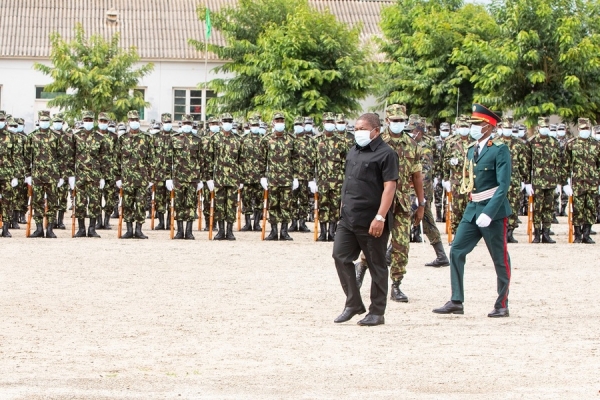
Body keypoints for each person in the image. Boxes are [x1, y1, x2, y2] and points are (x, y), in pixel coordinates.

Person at [433, 104, 512, 318]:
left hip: (492, 212)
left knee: (499, 257)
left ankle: (502, 303)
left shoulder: (499, 149)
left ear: (488, 126)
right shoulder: (471, 149)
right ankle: (456, 300)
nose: (473, 127)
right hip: (473, 208)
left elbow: (503, 185)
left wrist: (489, 212)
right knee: (457, 250)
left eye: (477, 124)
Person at [332, 112, 399, 326]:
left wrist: (380, 216)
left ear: (376, 131)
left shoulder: (386, 154)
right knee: (340, 256)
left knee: (376, 264)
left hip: (372, 219)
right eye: (356, 128)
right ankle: (353, 303)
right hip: (349, 217)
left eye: (362, 129)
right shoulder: (354, 150)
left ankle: (377, 312)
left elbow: (390, 187)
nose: (357, 132)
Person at [66, 110, 110, 238]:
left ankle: (92, 229)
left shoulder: (100, 138)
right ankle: (81, 229)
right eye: (86, 120)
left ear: (94, 121)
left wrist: (103, 176)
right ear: (82, 120)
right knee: (80, 202)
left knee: (94, 202)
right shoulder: (76, 136)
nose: (88, 122)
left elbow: (104, 159)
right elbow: (71, 156)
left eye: (90, 120)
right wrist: (71, 175)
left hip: (95, 175)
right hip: (80, 175)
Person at [25, 110, 66, 238]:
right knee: (37, 201)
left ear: (50, 121)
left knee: (53, 202)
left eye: (46, 120)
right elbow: (27, 157)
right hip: (37, 174)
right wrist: (28, 174)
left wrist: (62, 176)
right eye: (42, 120)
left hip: (53, 175)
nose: (44, 123)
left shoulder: (56, 137)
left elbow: (62, 157)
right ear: (39, 121)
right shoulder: (32, 136)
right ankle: (38, 229)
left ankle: (49, 229)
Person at [115, 110, 156, 239]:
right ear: (128, 121)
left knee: (141, 204)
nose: (134, 122)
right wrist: (117, 177)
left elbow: (152, 159)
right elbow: (116, 159)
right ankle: (129, 230)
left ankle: (138, 230)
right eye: (132, 120)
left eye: (136, 120)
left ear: (139, 121)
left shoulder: (147, 138)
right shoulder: (123, 139)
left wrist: (151, 178)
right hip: (127, 178)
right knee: (127, 204)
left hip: (142, 178)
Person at [259, 112, 298, 241]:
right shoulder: (266, 139)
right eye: (277, 121)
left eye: (282, 121)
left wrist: (296, 177)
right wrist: (262, 176)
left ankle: (285, 231)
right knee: (273, 205)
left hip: (287, 179)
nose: (280, 123)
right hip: (273, 178)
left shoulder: (291, 139)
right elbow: (261, 159)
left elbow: (296, 159)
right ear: (273, 123)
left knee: (286, 205)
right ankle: (274, 231)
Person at [524, 117, 562, 243]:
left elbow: (558, 163)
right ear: (538, 128)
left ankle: (546, 233)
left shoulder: (554, 142)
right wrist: (527, 182)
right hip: (537, 183)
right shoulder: (532, 142)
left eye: (546, 127)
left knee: (549, 208)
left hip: (551, 182)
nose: (544, 129)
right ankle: (536, 234)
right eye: (542, 127)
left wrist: (559, 181)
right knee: (537, 208)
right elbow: (527, 163)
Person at [166, 114, 203, 240]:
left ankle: (189, 231)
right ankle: (180, 230)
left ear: (192, 125)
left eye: (189, 123)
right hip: (178, 177)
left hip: (193, 178)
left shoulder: (198, 140)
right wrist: (168, 177)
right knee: (179, 204)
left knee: (191, 204)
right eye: (185, 123)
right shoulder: (174, 139)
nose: (187, 125)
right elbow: (168, 159)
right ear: (181, 124)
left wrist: (201, 179)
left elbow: (202, 160)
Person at [563, 118, 600, 243]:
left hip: (593, 182)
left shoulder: (597, 144)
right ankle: (577, 235)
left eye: (587, 129)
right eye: (583, 129)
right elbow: (566, 165)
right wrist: (565, 183)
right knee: (578, 209)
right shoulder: (571, 144)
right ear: (578, 129)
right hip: (578, 183)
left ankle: (587, 234)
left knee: (591, 208)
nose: (585, 131)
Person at [207, 113, 242, 240]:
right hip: (219, 178)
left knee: (232, 205)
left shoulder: (238, 139)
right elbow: (209, 159)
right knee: (219, 204)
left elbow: (241, 160)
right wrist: (209, 177)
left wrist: (241, 179)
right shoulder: (215, 139)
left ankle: (230, 231)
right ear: (221, 123)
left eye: (229, 121)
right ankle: (221, 230)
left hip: (233, 178)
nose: (227, 123)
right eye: (225, 121)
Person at [314, 112, 348, 241]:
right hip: (322, 180)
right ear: (323, 123)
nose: (329, 124)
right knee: (323, 205)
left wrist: (345, 178)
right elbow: (313, 161)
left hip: (337, 180)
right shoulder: (316, 140)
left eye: (331, 122)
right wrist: (312, 179)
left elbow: (345, 162)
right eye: (326, 122)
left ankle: (332, 232)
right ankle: (323, 232)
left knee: (335, 206)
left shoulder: (341, 142)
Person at [239, 116, 265, 232]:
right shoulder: (243, 140)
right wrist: (240, 176)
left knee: (259, 200)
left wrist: (265, 175)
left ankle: (257, 224)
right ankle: (248, 223)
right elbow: (239, 159)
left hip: (259, 175)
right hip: (246, 176)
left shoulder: (263, 140)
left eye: (256, 125)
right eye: (253, 125)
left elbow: (267, 158)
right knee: (246, 200)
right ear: (249, 126)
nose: (255, 127)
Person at [0, 113, 23, 238]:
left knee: (7, 202)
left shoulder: (11, 137)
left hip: (7, 175)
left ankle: (5, 228)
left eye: (2, 120)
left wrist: (16, 176)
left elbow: (17, 157)